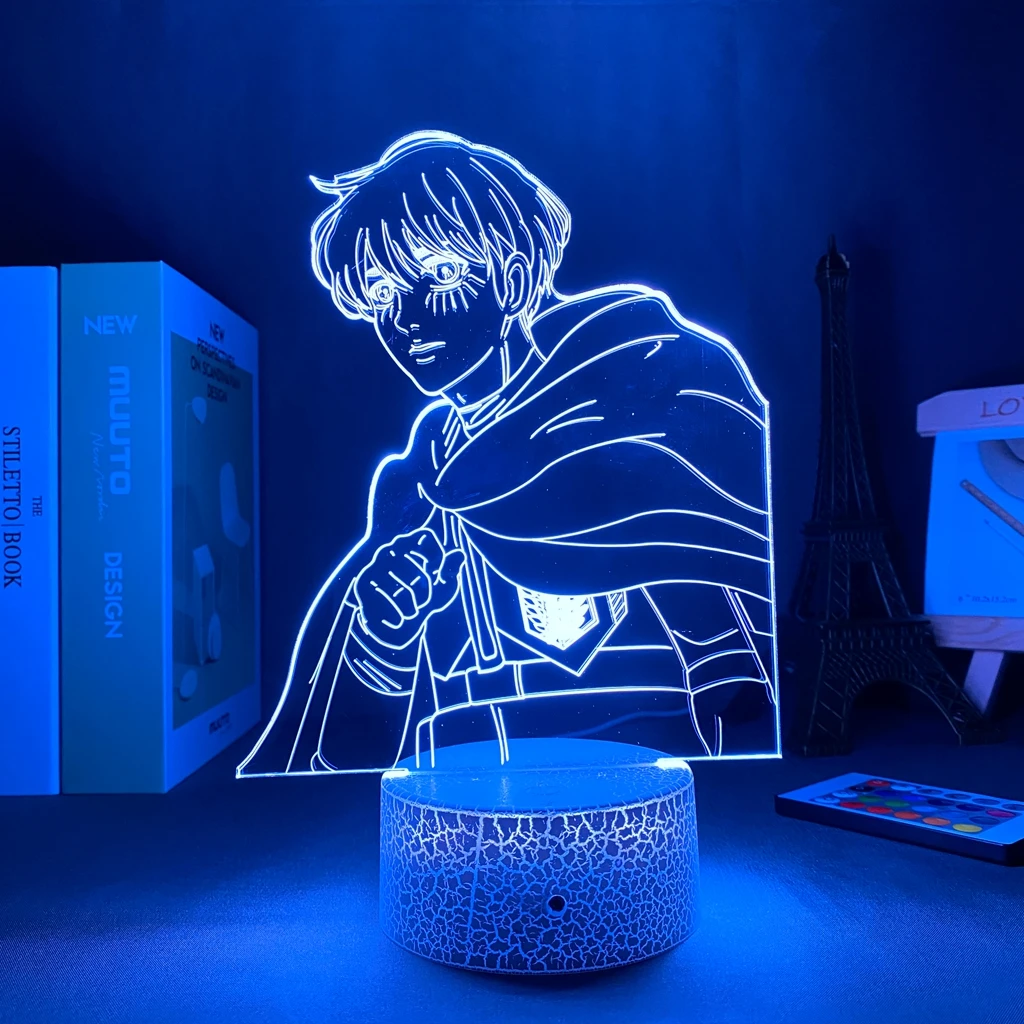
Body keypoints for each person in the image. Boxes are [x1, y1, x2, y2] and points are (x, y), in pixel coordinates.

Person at [238, 130, 778, 777]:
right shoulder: (419, 479)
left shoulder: (630, 392)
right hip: (471, 782)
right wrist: (386, 632)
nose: (407, 318)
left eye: (440, 274)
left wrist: (733, 742)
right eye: (382, 295)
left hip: (643, 762)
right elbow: (347, 744)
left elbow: (727, 664)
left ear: (514, 279)